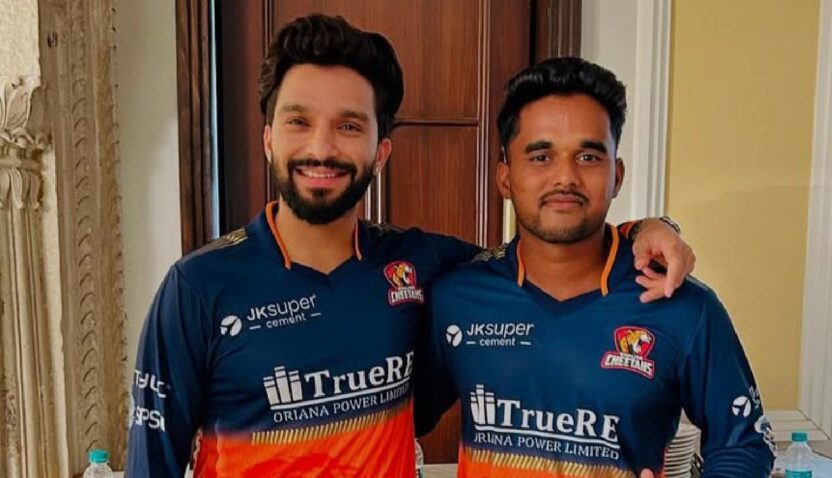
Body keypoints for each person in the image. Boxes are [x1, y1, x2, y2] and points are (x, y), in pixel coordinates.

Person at [127, 15, 696, 477]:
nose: (321, 148)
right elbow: (152, 463)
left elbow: (551, 252)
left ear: (381, 152)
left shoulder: (422, 264)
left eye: (349, 126)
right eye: (299, 122)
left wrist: (646, 227)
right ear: (269, 139)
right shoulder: (198, 287)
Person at [415, 57, 775, 478]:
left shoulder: (681, 306)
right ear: (505, 178)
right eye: (541, 157)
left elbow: (744, 445)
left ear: (616, 176)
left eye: (587, 156)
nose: (565, 177)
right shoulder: (457, 297)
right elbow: (403, 414)